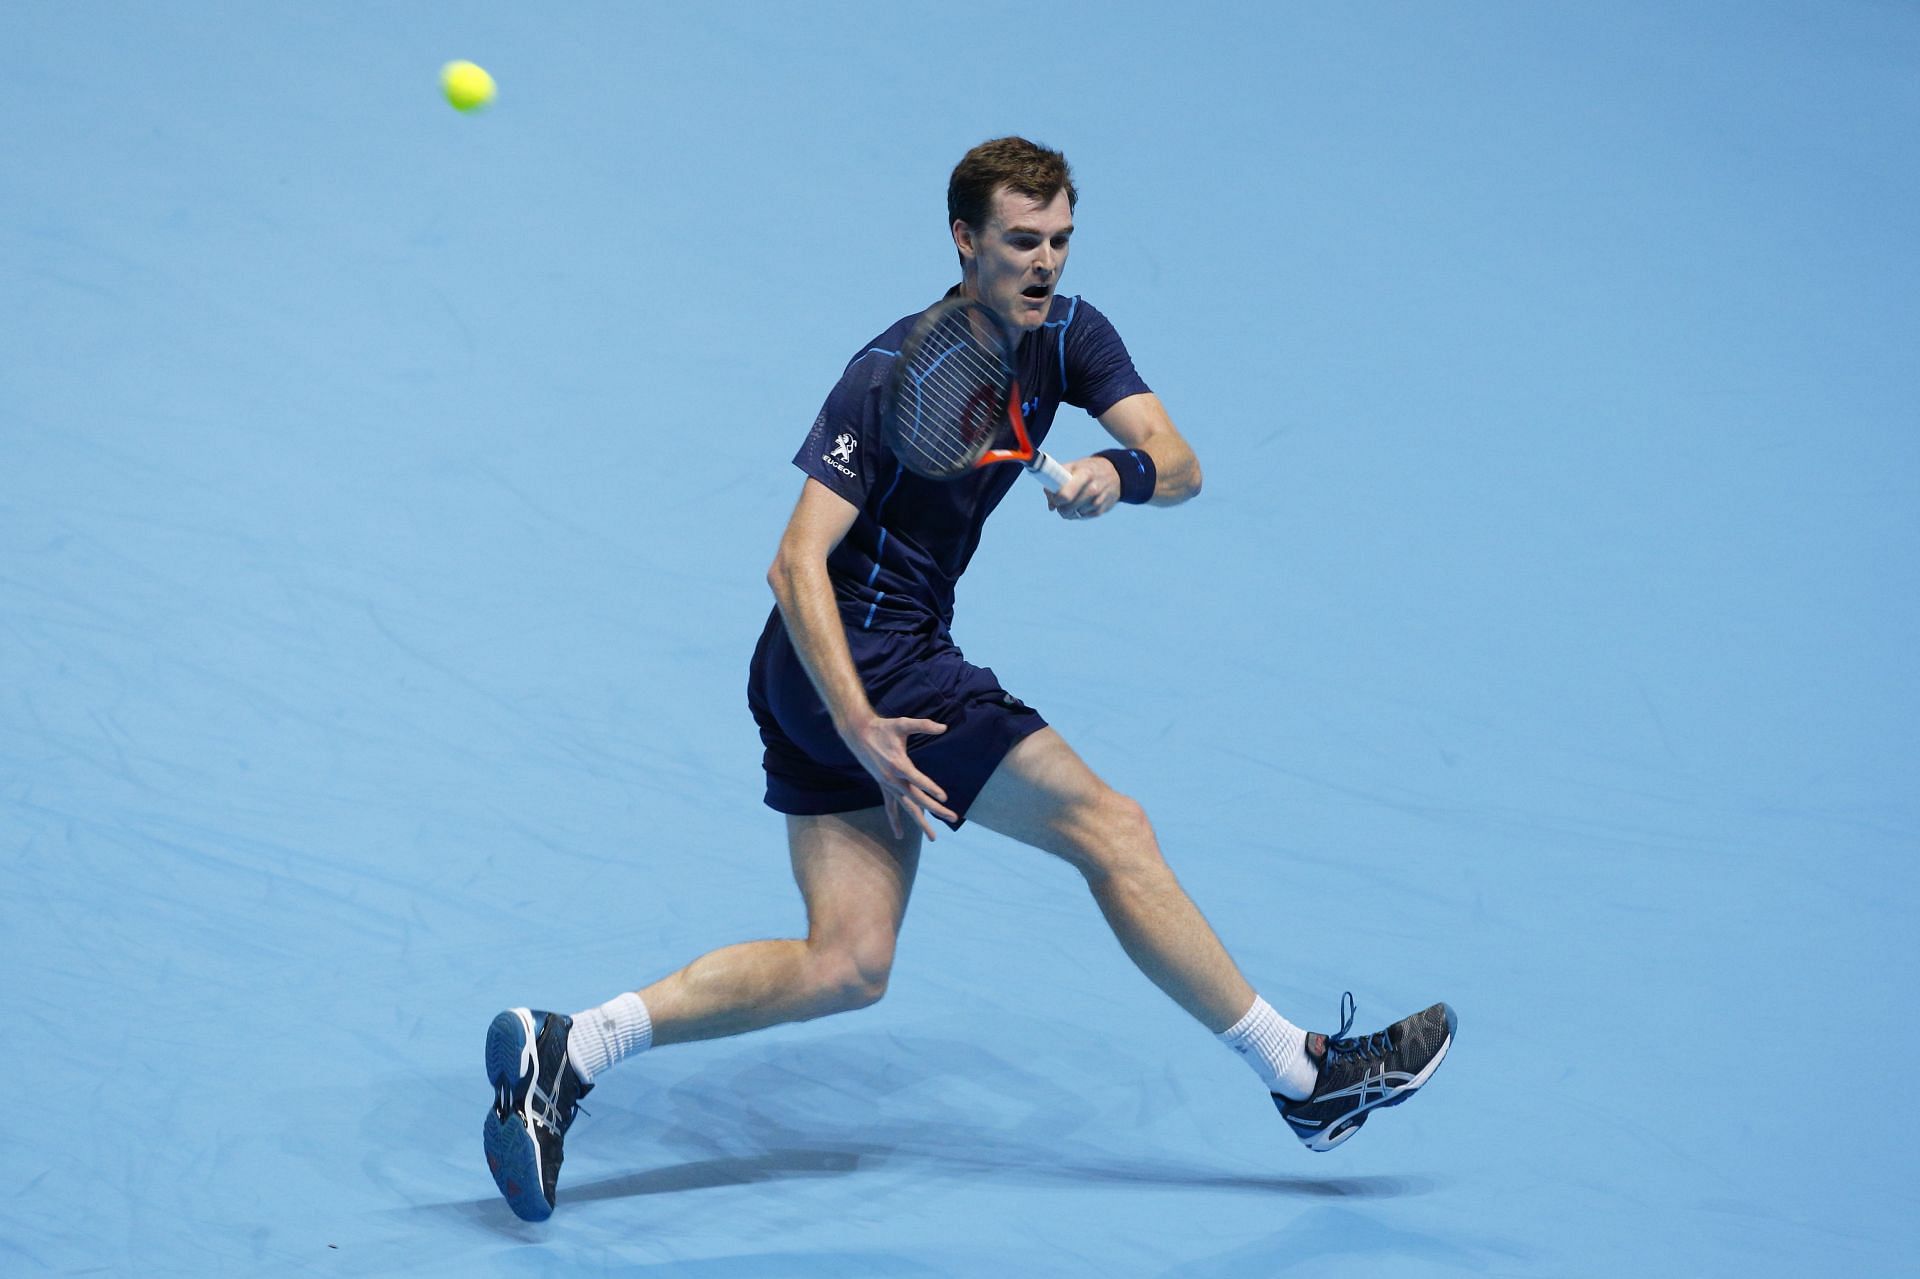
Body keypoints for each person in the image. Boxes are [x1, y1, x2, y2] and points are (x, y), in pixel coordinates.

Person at [483, 137, 1456, 1223]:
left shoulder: (1073, 337)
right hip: (865, 662)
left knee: (849, 962)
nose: (1045, 263)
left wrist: (1114, 473)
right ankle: (1305, 1075)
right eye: (1020, 241)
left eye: (1060, 241)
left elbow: (1181, 463)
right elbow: (792, 560)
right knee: (1110, 826)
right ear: (963, 239)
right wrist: (860, 725)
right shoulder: (889, 370)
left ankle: (572, 1050)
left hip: (816, 676)